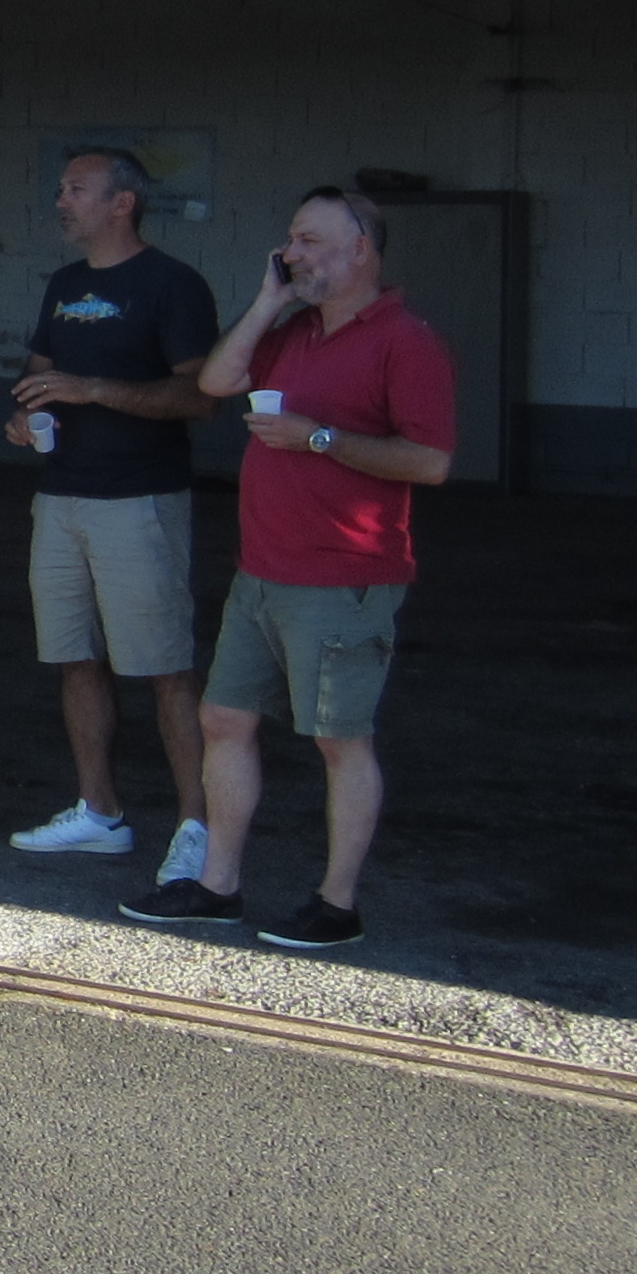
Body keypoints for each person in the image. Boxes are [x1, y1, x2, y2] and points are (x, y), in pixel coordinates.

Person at [126, 188, 456, 950]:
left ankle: (336, 903)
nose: (293, 252)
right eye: (291, 239)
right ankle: (219, 887)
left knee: (340, 739)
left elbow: (431, 461)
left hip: (344, 575)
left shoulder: (407, 342)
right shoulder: (296, 329)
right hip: (263, 570)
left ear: (360, 251)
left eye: (309, 241)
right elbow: (215, 381)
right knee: (224, 720)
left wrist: (317, 439)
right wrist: (269, 301)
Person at [4, 150, 220, 876]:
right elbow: (39, 374)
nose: (61, 201)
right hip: (61, 496)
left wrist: (94, 390)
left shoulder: (172, 285)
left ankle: (197, 826)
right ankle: (100, 811)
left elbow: (200, 396)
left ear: (122, 202)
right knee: (73, 658)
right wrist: (24, 412)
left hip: (141, 501)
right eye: (61, 187)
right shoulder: (65, 285)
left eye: (76, 189)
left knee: (165, 667)